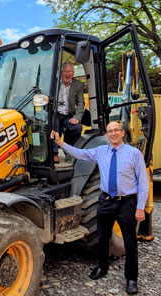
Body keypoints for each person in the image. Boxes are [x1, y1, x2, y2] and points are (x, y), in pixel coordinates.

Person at [51, 121, 149, 295]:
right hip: (105, 200)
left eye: (116, 131)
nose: (113, 134)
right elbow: (79, 154)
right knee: (102, 238)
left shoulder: (134, 154)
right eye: (110, 131)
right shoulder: (101, 151)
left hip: (126, 202)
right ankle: (102, 268)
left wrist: (140, 207)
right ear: (107, 134)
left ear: (122, 133)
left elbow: (142, 183)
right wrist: (60, 143)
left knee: (130, 243)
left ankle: (132, 279)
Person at [53, 62, 84, 163]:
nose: (68, 74)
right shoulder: (54, 83)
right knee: (52, 127)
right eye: (66, 71)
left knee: (77, 128)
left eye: (70, 71)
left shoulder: (78, 85)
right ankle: (54, 153)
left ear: (73, 73)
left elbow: (80, 103)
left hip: (68, 114)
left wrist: (77, 117)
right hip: (56, 113)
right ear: (62, 73)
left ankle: (69, 151)